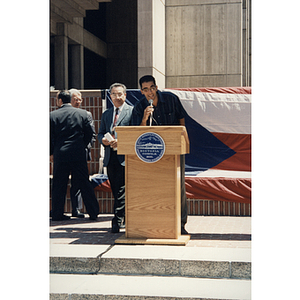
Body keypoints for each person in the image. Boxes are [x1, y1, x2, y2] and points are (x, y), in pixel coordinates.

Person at [131, 75, 189, 234]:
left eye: (152, 88)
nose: (149, 92)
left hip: (174, 149)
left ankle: (181, 223)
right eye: (145, 89)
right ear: (141, 91)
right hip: (153, 154)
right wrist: (144, 118)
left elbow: (181, 119)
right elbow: (137, 132)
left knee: (178, 186)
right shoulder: (139, 106)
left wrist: (183, 139)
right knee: (157, 187)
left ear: (156, 88)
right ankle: (159, 222)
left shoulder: (171, 99)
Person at [50, 90, 99, 221]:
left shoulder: (52, 115)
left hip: (60, 154)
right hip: (78, 154)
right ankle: (93, 212)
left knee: (59, 184)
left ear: (60, 100)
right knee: (84, 182)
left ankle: (57, 213)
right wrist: (82, 145)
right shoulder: (83, 114)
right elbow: (90, 133)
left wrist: (51, 152)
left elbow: (49, 137)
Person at [98, 83, 133, 233]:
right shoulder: (106, 114)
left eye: (120, 94)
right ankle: (122, 217)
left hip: (126, 157)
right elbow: (100, 133)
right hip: (110, 157)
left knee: (122, 189)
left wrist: (122, 141)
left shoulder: (132, 111)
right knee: (116, 189)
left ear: (125, 95)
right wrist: (103, 140)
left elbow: (135, 133)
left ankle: (117, 220)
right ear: (110, 96)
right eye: (114, 94)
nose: (117, 97)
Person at [69, 88, 97, 218]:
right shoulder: (61, 113)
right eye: (75, 99)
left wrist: (85, 146)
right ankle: (72, 209)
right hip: (66, 156)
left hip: (81, 154)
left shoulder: (86, 114)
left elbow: (92, 135)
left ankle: (83, 210)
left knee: (80, 182)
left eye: (80, 99)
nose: (78, 101)